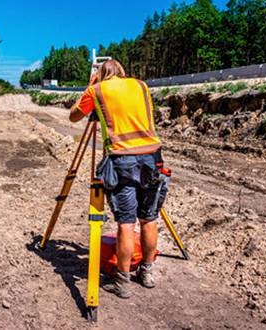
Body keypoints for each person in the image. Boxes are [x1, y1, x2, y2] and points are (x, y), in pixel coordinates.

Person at [69, 60, 168, 299]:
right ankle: (147, 272)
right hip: (152, 158)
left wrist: (90, 86)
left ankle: (122, 282)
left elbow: (74, 116)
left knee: (126, 222)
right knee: (149, 218)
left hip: (122, 159)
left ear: (100, 75)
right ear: (123, 73)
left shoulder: (97, 90)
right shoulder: (141, 86)